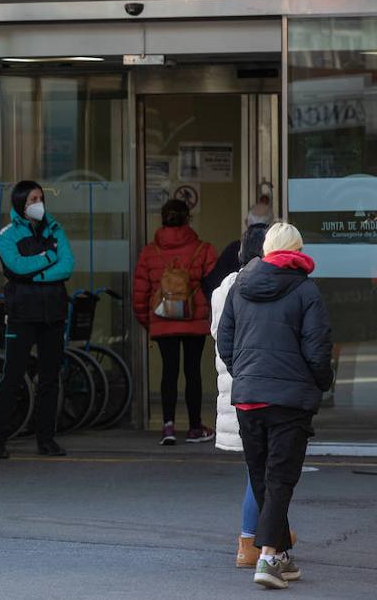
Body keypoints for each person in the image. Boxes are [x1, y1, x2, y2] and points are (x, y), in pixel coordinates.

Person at [218, 223, 333, 590]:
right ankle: (267, 557)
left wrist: (247, 375)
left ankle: (281, 554)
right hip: (289, 401)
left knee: (262, 476)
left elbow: (226, 343)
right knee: (280, 478)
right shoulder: (306, 290)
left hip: (249, 398)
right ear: (297, 249)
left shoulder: (240, 286)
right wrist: (320, 383)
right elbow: (317, 351)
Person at [0, 180, 74, 459]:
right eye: (32, 200)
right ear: (20, 204)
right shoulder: (7, 235)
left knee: (50, 378)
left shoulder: (55, 228)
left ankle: (46, 439)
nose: (38, 204)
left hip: (53, 313)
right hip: (22, 313)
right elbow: (16, 266)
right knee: (13, 375)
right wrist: (49, 256)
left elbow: (67, 265)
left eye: (40, 198)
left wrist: (36, 274)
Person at [209, 219, 271, 568]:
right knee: (262, 468)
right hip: (255, 384)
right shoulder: (260, 284)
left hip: (233, 382)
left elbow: (218, 335)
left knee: (262, 466)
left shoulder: (222, 289)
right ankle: (250, 539)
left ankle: (272, 530)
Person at [134, 198, 218, 446]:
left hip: (162, 320)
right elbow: (215, 287)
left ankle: (168, 426)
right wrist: (211, 318)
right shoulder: (204, 250)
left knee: (169, 372)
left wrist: (149, 322)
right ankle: (194, 427)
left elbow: (140, 292)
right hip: (193, 320)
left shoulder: (150, 252)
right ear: (187, 219)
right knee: (192, 372)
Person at [204, 200, 272, 297]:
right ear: (272, 224)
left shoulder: (233, 249)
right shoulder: (277, 250)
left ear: (246, 222)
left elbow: (213, 283)